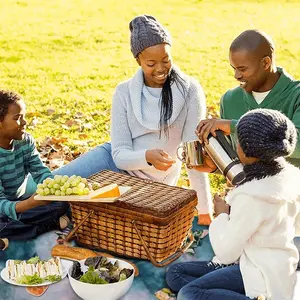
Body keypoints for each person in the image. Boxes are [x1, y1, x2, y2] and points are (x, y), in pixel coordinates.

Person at [53, 15, 212, 224]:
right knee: (50, 190)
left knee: (80, 212)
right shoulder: (124, 92)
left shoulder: (190, 91)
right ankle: (10, 214)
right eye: (151, 63)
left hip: (149, 186)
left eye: (166, 60)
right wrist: (146, 156)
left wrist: (205, 211)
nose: (161, 68)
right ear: (138, 60)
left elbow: (193, 156)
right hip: (112, 163)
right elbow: (119, 155)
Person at [166, 109, 300, 300]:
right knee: (175, 274)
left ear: (244, 151)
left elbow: (226, 252)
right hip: (273, 265)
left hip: (259, 273)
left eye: (238, 140)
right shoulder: (291, 178)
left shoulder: (251, 197)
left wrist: (222, 215)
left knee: (188, 293)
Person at [195, 29, 300, 173]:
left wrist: (235, 126)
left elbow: (297, 144)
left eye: (242, 69)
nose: (236, 75)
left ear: (265, 63)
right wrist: (215, 167)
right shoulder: (230, 99)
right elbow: (238, 162)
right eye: (234, 68)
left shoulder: (296, 95)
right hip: (250, 191)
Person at [0, 90, 69, 240]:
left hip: (20, 202)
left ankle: (17, 230)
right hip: (6, 207)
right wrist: (29, 204)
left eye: (24, 116)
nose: (24, 122)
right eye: (17, 118)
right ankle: (47, 226)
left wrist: (53, 189)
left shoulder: (25, 141)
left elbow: (40, 172)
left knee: (62, 204)